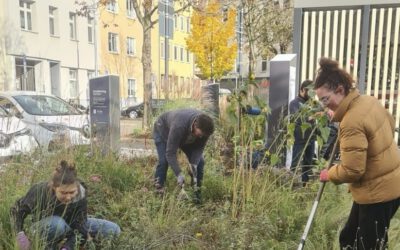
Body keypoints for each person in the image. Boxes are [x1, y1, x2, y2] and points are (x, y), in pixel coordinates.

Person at [315, 57, 400, 249]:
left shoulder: (351, 121)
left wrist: (330, 174)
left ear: (340, 90)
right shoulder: (368, 101)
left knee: (369, 245)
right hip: (387, 186)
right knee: (349, 238)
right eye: (321, 101)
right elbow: (390, 123)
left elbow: (353, 170)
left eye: (325, 99)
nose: (324, 105)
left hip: (378, 193)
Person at [11, 160, 121, 250]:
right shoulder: (40, 190)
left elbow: (80, 224)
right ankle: (46, 246)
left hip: (70, 227)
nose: (68, 197)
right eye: (63, 193)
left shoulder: (81, 193)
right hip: (45, 227)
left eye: (72, 192)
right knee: (57, 224)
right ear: (54, 188)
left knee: (113, 230)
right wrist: (20, 234)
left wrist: (68, 247)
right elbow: (16, 211)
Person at [153, 108, 215, 201]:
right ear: (195, 125)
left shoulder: (205, 128)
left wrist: (193, 165)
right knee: (164, 160)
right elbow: (170, 153)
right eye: (200, 134)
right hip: (163, 130)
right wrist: (179, 174)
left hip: (185, 137)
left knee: (200, 162)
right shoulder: (179, 126)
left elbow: (198, 149)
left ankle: (196, 193)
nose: (201, 137)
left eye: (203, 135)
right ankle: (159, 188)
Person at [289, 79, 316, 185]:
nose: (310, 93)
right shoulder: (294, 103)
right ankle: (291, 184)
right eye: (308, 91)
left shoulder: (311, 103)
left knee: (308, 164)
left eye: (312, 91)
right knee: (295, 163)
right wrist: (311, 117)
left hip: (311, 138)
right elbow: (297, 119)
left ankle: (305, 185)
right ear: (301, 90)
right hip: (300, 138)